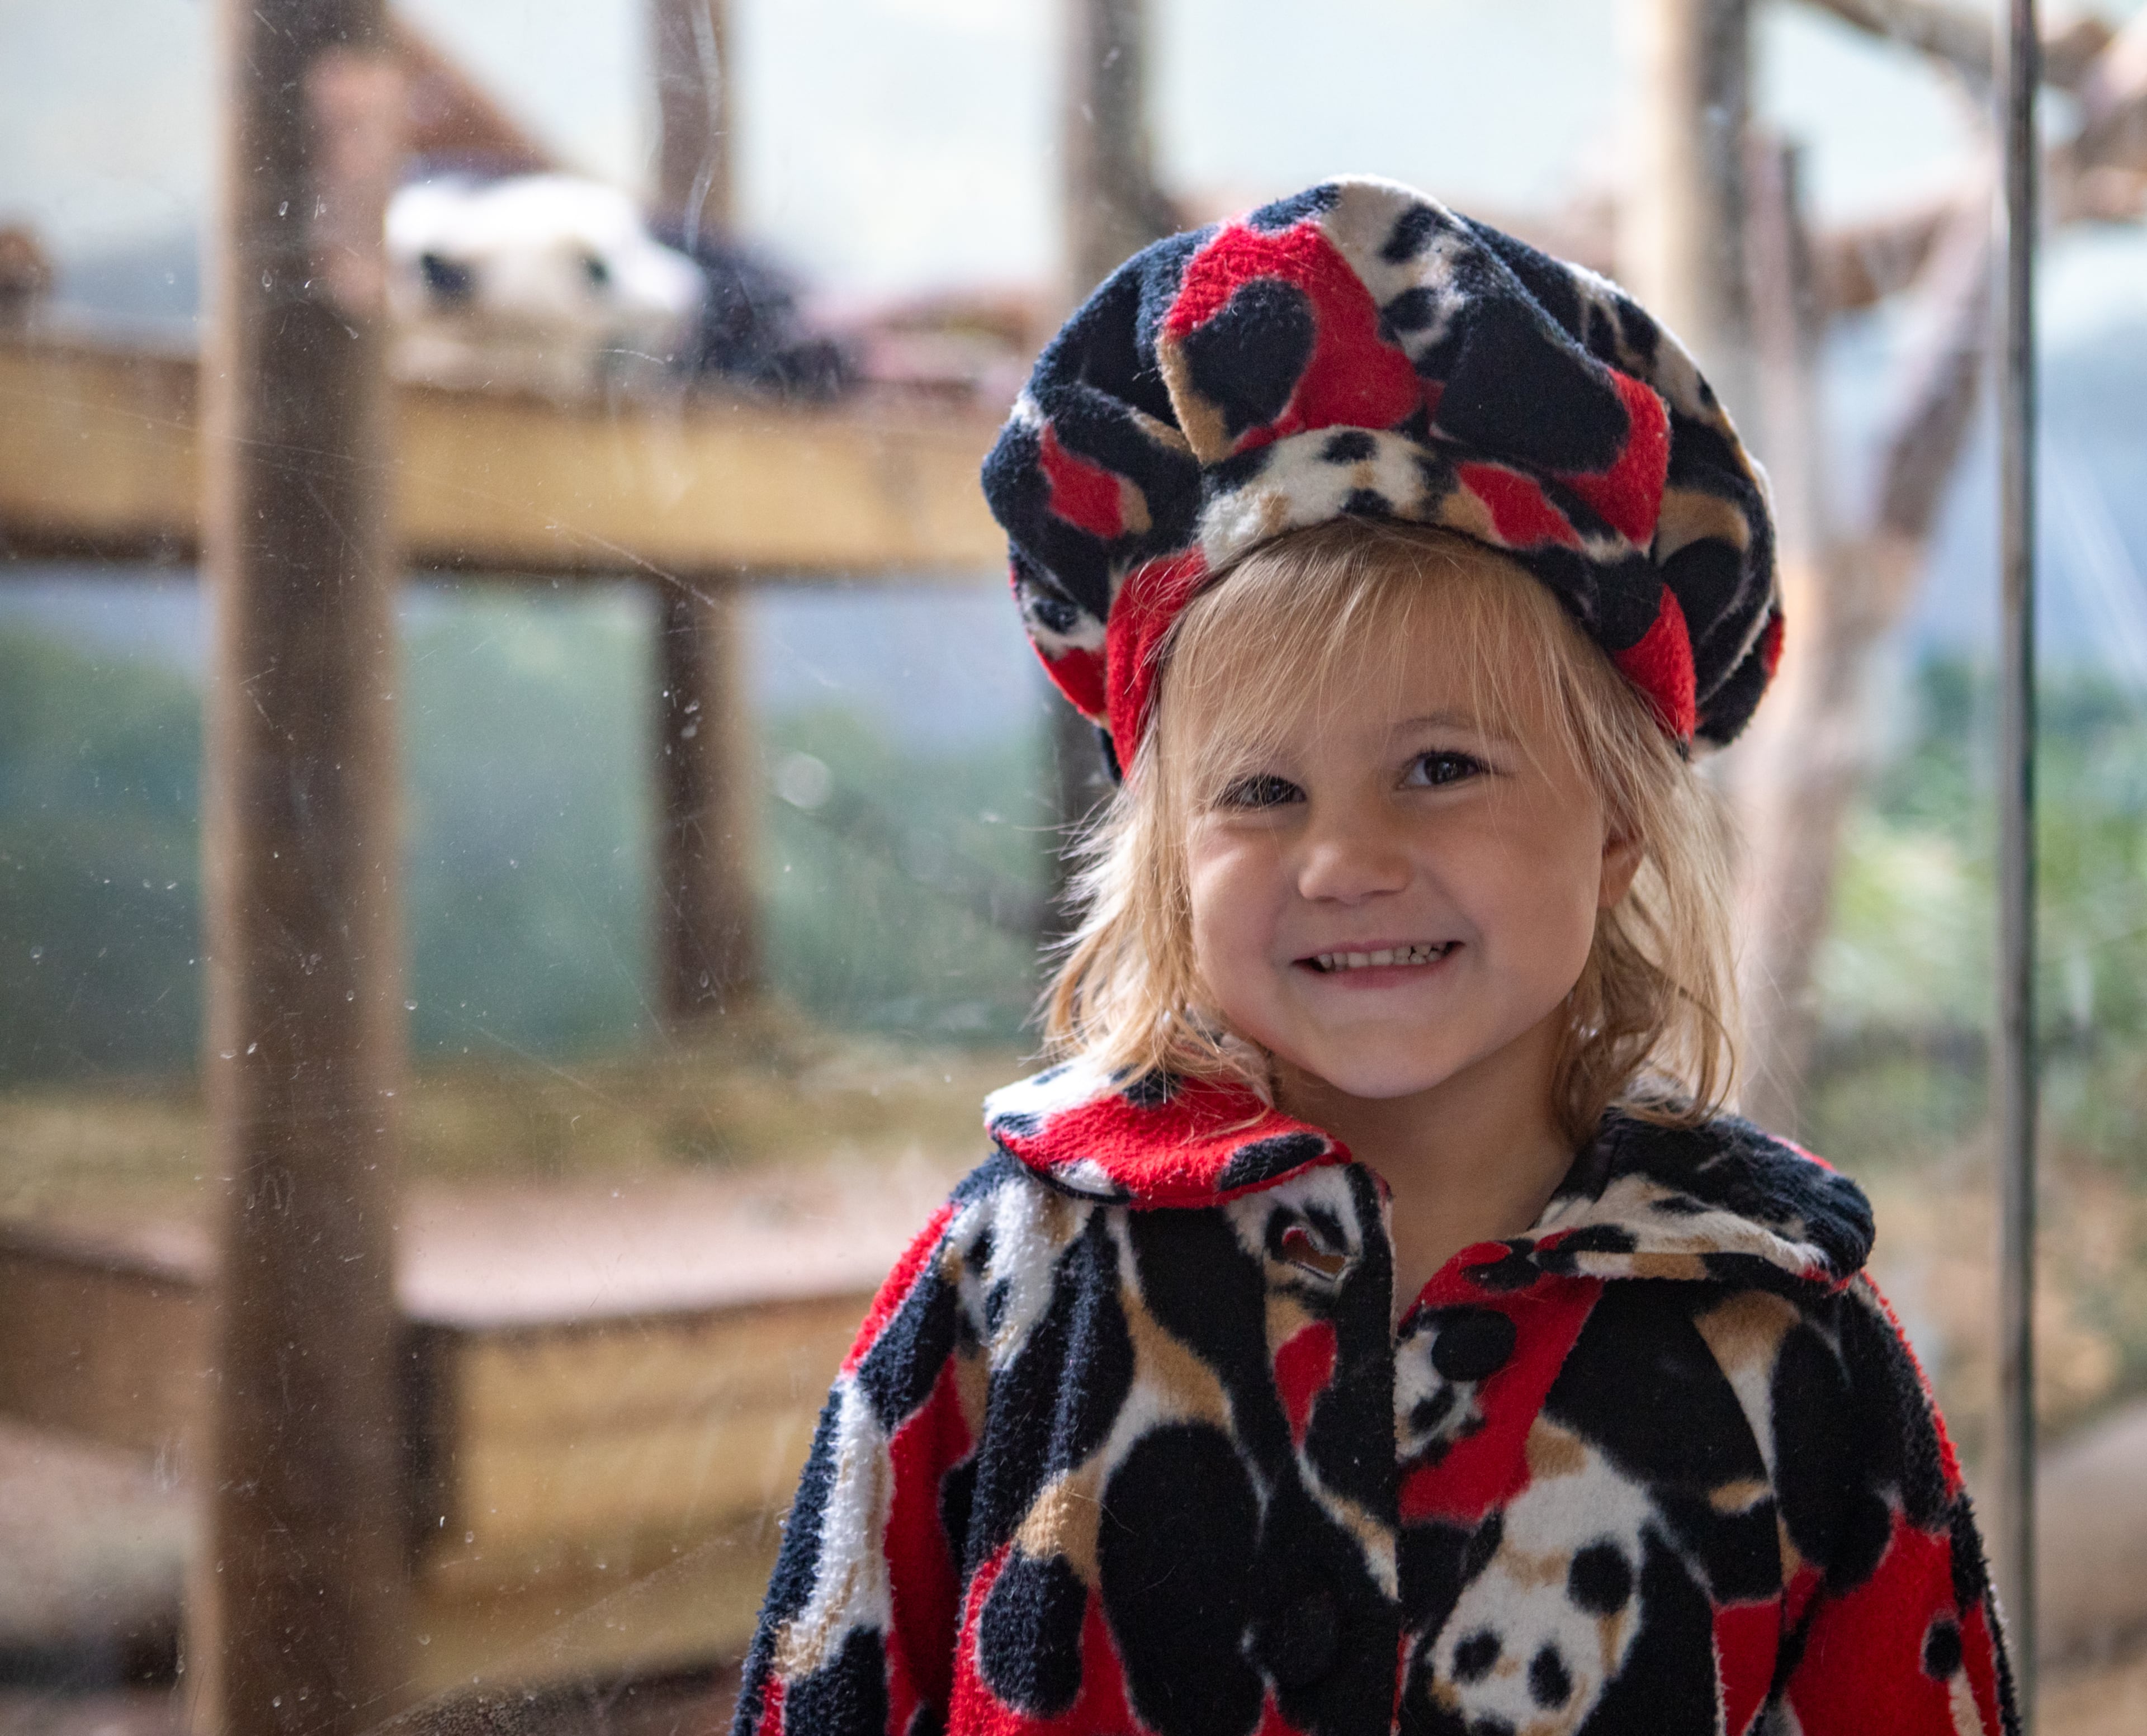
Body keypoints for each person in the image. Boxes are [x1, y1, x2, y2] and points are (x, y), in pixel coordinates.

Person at [730, 176, 2016, 1736]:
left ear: (1618, 822)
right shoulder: (1017, 1285)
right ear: (1167, 859)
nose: (1343, 861)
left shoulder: (1789, 1342)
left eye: (1443, 767)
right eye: (1262, 793)